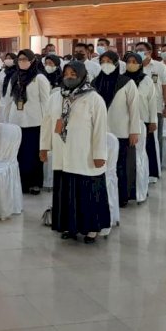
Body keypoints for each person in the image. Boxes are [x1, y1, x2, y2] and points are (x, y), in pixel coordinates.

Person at [40, 61, 110, 243]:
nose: (69, 77)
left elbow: (100, 128)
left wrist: (99, 154)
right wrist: (44, 146)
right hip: (63, 153)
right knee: (67, 192)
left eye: (73, 73)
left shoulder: (94, 98)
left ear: (82, 75)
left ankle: (91, 229)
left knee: (87, 191)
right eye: (67, 73)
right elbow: (47, 123)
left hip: (85, 154)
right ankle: (70, 227)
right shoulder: (56, 97)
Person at [92, 51, 140, 208]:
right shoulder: (94, 83)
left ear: (117, 63)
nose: (106, 64)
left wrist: (134, 131)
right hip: (99, 132)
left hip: (122, 131)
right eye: (103, 61)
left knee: (122, 165)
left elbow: (134, 108)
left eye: (109, 61)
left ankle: (122, 196)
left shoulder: (127, 83)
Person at [3, 49, 50, 194]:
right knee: (20, 153)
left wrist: (46, 122)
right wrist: (6, 121)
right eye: (20, 59)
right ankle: (21, 183)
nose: (22, 61)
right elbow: (8, 101)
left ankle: (34, 183)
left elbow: (45, 101)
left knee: (33, 154)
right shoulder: (14, 76)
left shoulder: (39, 78)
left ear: (32, 60)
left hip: (34, 121)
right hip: (16, 121)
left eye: (25, 59)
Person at [123, 52, 157, 200]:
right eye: (128, 61)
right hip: (125, 123)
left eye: (134, 61)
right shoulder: (121, 80)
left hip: (143, 121)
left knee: (141, 155)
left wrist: (153, 120)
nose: (131, 64)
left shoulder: (146, 80)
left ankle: (142, 187)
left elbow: (152, 101)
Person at [136, 41, 166, 180]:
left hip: (155, 107)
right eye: (136, 49)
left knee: (156, 138)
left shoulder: (159, 66)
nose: (138, 52)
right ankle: (142, 167)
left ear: (149, 52)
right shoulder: (135, 66)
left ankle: (156, 167)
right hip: (138, 109)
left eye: (141, 50)